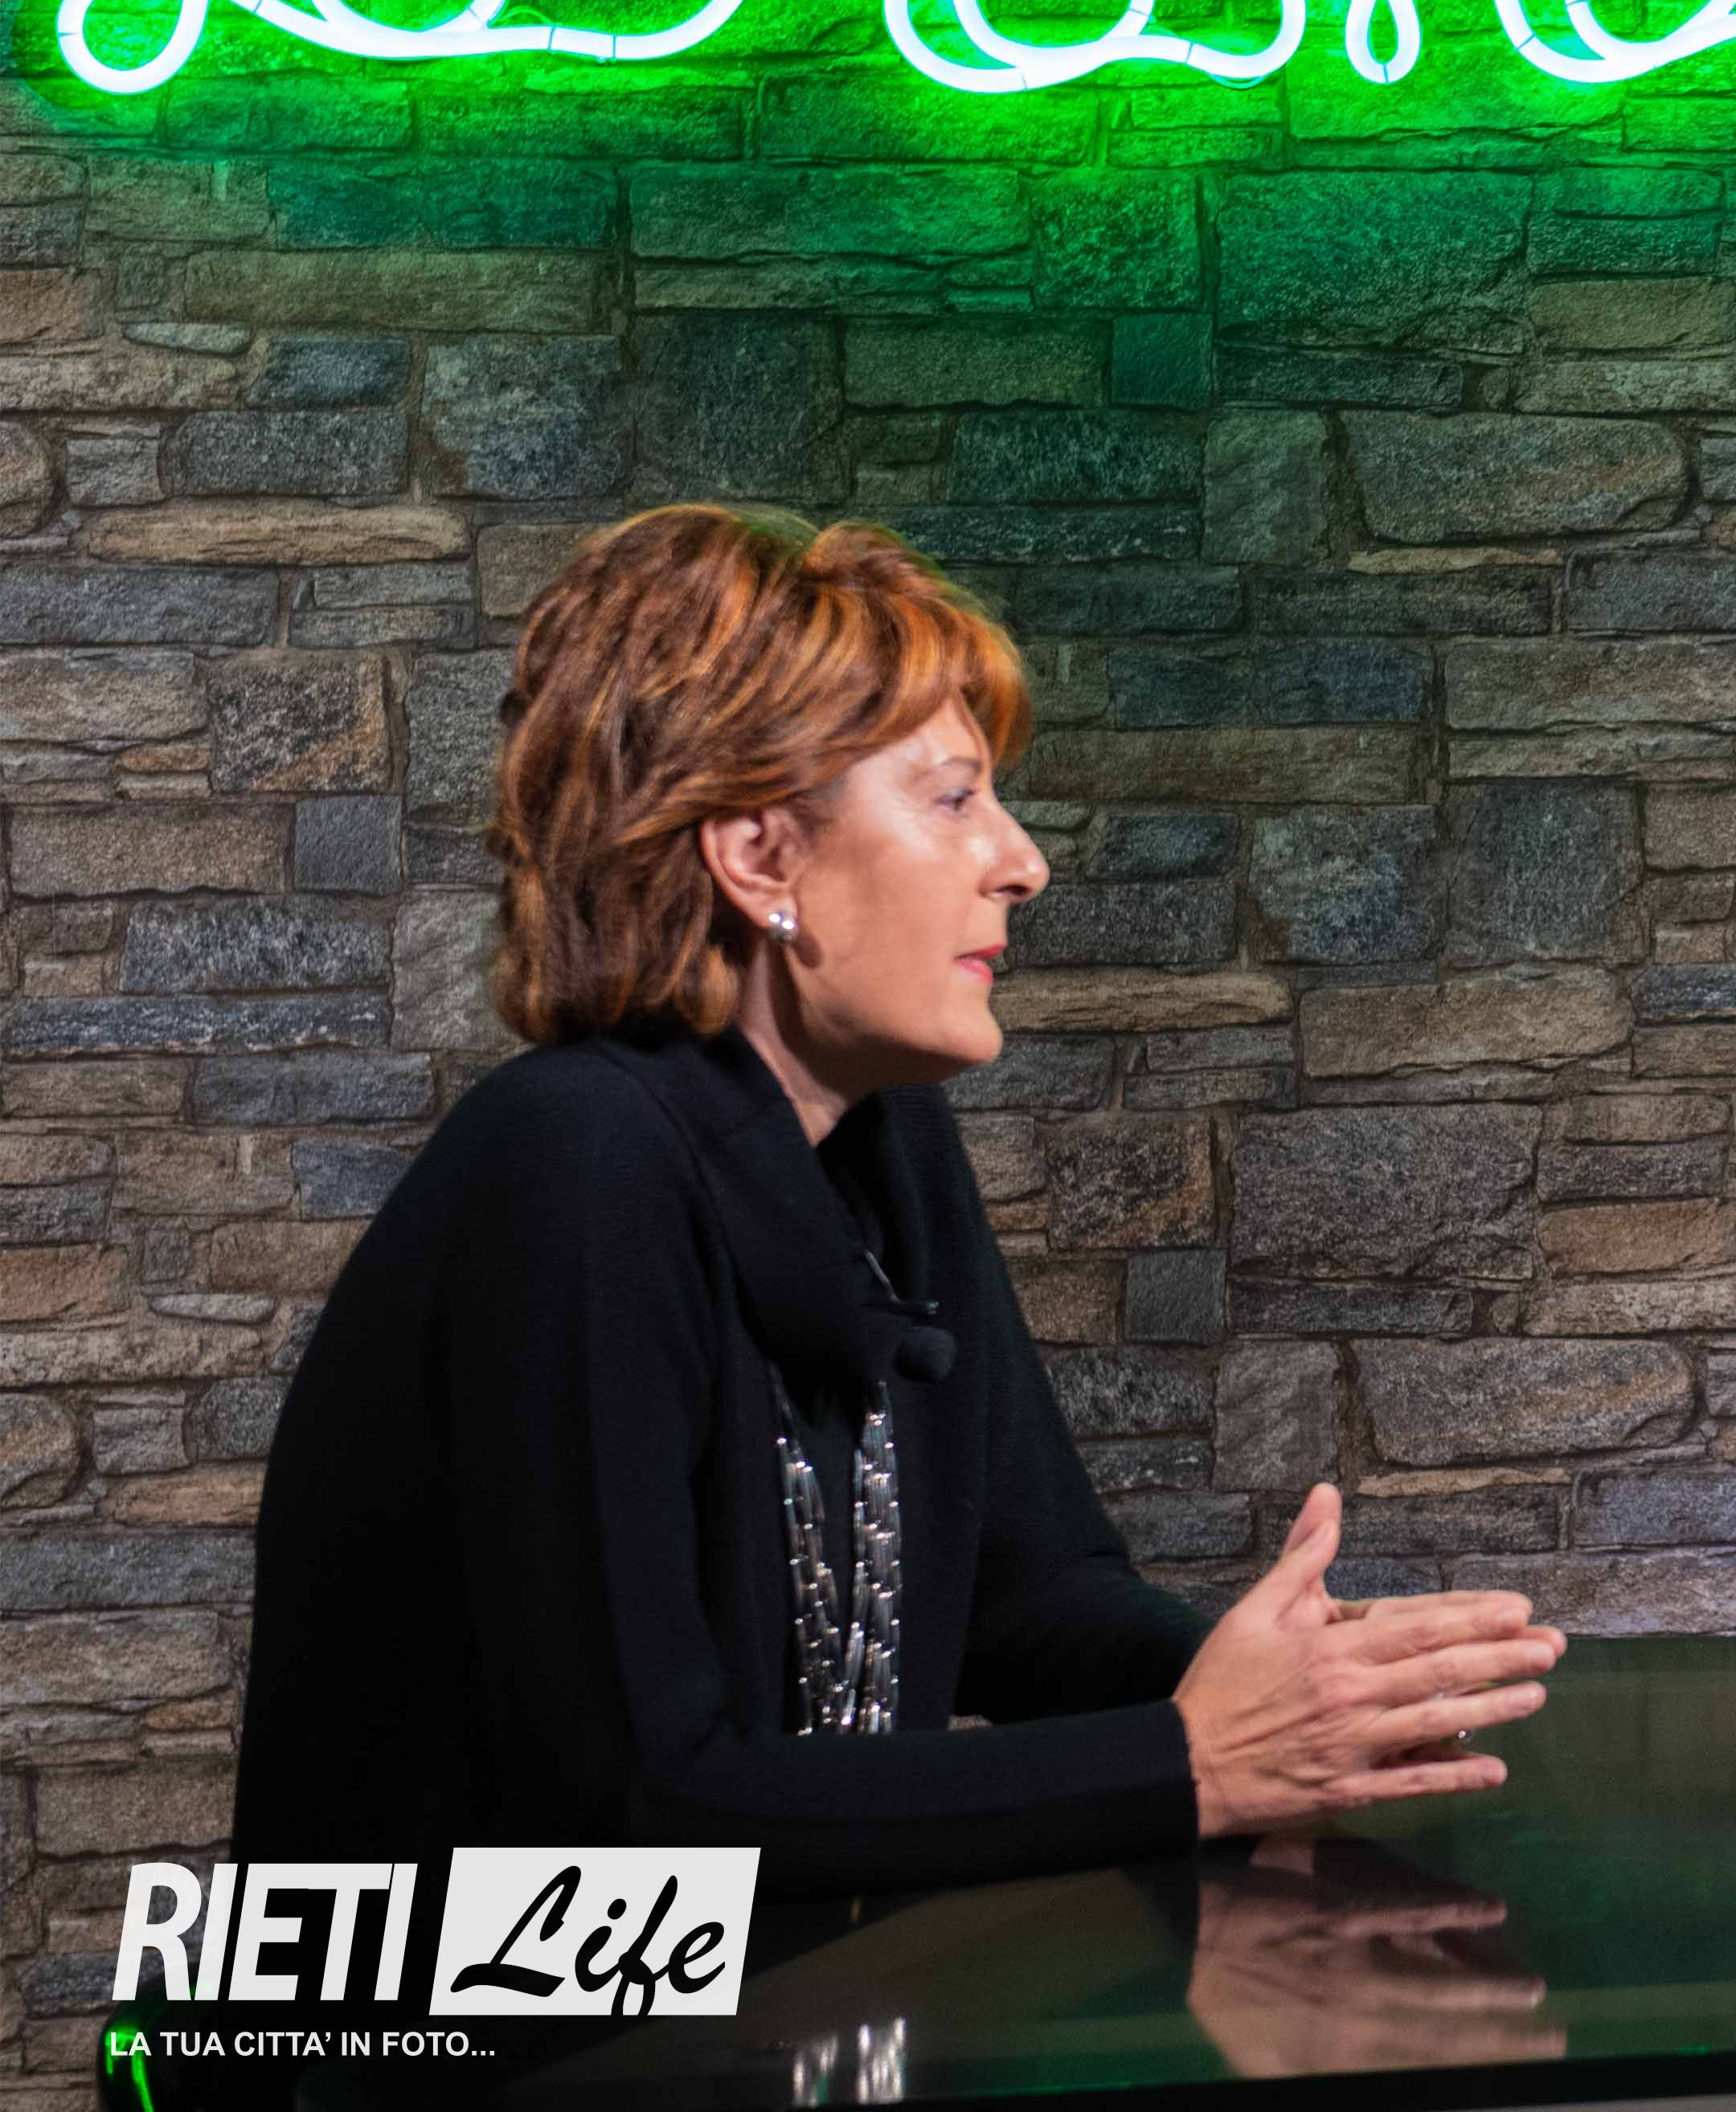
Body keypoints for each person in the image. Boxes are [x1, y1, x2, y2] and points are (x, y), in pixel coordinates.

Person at [235, 506, 1565, 1891]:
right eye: (952, 799)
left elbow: (1029, 1600)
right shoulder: (573, 1164)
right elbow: (639, 1805)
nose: (1023, 860)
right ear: (760, 858)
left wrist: (1309, 1695)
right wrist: (1199, 1762)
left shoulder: (884, 1139)